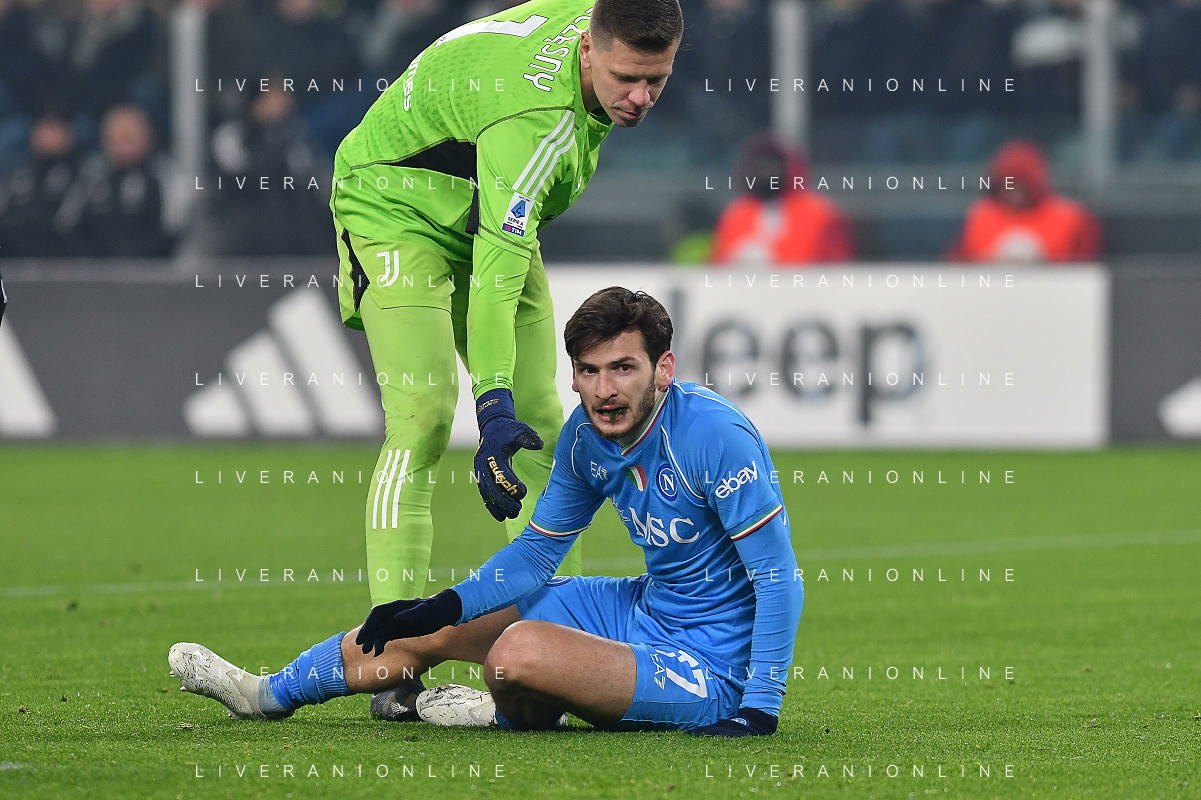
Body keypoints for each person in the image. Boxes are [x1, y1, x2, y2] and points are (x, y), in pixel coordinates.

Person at [169, 287, 804, 737]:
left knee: (515, 652)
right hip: (642, 610)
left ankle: (494, 711)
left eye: (622, 369)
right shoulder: (584, 439)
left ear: (663, 369)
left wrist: (759, 708)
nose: (605, 391)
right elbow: (536, 554)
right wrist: (442, 607)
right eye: (588, 372)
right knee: (422, 625)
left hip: (710, 666)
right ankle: (265, 694)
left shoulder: (715, 437)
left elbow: (778, 576)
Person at [328, 0, 683, 719]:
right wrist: (491, 408)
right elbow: (494, 281)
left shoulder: (599, 29)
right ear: (588, 51)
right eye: (626, 78)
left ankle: (554, 650)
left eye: (657, 80)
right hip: (392, 201)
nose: (641, 97)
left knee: (549, 427)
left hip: (481, 198)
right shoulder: (535, 122)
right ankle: (390, 661)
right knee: (425, 417)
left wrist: (509, 413)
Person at [945, 139, 1101, 263]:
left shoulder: (1069, 217)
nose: (1014, 193)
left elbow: (1088, 269)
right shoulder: (981, 215)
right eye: (1008, 186)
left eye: (1021, 186)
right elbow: (957, 266)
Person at [711, 133, 854, 265]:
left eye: (773, 162)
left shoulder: (820, 214)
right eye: (759, 163)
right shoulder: (735, 215)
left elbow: (840, 267)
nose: (766, 170)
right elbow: (718, 268)